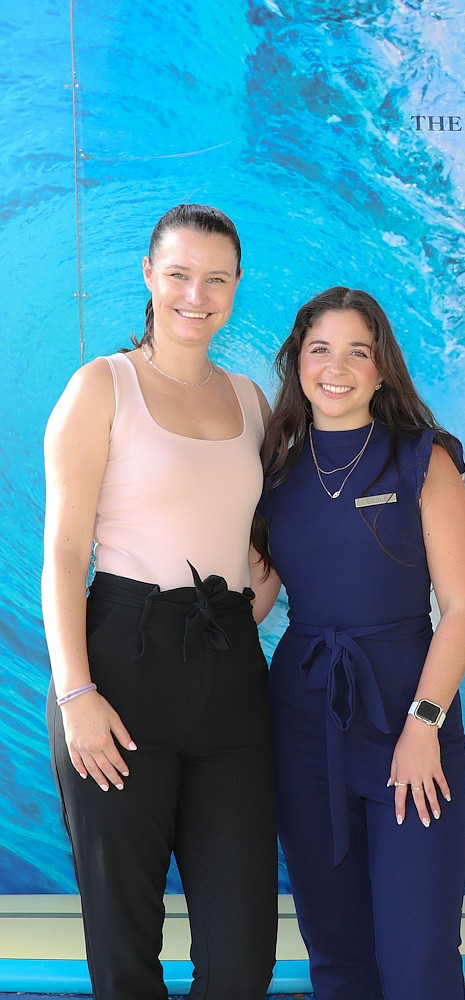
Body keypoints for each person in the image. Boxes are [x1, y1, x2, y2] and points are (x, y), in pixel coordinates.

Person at [43, 204, 277, 1000]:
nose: (195, 295)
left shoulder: (251, 401)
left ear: (237, 287)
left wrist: (261, 594)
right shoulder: (101, 386)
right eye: (178, 274)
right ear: (149, 276)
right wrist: (77, 694)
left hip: (230, 680)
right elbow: (64, 553)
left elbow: (261, 535)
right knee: (126, 951)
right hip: (120, 668)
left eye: (216, 279)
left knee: (242, 960)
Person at [253, 286, 465, 1000]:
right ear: (296, 362)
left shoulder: (422, 460)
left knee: (417, 965)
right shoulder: (275, 472)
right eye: (320, 349)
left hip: (406, 724)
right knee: (337, 957)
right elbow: (251, 602)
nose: (337, 367)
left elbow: (462, 605)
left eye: (359, 351)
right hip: (301, 728)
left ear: (382, 368)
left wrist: (423, 725)